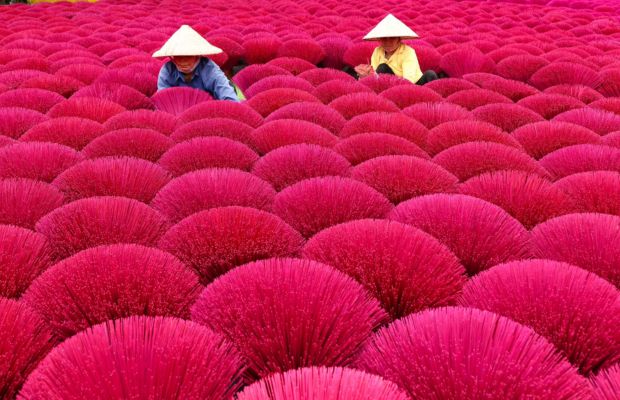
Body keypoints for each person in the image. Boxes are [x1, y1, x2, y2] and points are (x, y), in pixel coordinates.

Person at [153, 25, 239, 101]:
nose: (183, 61)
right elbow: (162, 100)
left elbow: (229, 98)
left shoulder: (210, 70)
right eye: (178, 56)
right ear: (172, 57)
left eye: (188, 55)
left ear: (198, 55)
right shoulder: (167, 71)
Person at [355, 14, 438, 85]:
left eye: (392, 38)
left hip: (414, 85)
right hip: (387, 86)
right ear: (379, 39)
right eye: (384, 38)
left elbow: (409, 80)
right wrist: (364, 76)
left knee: (430, 74)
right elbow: (375, 77)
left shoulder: (408, 52)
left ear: (399, 39)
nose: (388, 42)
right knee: (382, 67)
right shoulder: (377, 51)